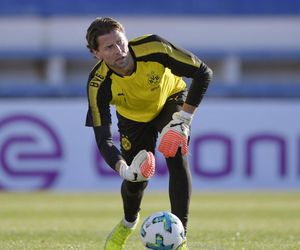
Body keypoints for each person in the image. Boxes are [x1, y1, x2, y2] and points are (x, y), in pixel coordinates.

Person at [85, 17, 213, 250]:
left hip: (170, 101)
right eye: (109, 47)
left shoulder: (154, 47)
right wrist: (124, 169)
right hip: (133, 119)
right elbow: (103, 138)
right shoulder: (98, 84)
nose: (119, 51)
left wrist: (184, 119)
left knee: (175, 151)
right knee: (137, 182)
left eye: (121, 42)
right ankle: (127, 223)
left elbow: (203, 73)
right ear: (96, 53)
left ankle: (180, 238)